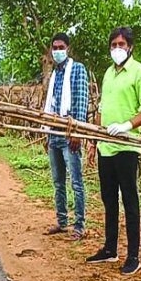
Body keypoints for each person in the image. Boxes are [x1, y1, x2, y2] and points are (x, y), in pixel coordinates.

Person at [86, 27, 141, 275]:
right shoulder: (108, 73)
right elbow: (102, 106)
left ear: (130, 47)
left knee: (129, 200)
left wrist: (127, 125)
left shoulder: (139, 73)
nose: (117, 48)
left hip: (127, 146)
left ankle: (134, 255)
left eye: (121, 44)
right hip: (105, 145)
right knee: (108, 199)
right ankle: (110, 248)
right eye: (113, 44)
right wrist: (95, 138)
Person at [43, 33, 89, 241]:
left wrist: (77, 132)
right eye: (54, 48)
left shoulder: (77, 70)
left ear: (68, 49)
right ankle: (62, 222)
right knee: (58, 182)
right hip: (54, 133)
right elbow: (50, 104)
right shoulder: (54, 74)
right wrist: (46, 131)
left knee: (76, 182)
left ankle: (79, 225)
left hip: (70, 132)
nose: (57, 51)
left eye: (61, 47)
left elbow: (81, 101)